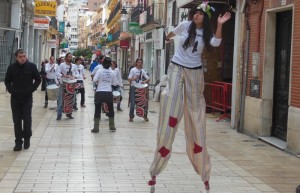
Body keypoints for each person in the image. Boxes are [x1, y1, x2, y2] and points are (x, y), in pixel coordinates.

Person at [148, 3, 231, 191]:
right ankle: (157, 166)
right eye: (195, 13)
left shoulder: (208, 34)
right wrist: (168, 38)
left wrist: (220, 24)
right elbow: (172, 33)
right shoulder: (185, 26)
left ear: (205, 18)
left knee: (195, 116)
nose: (197, 16)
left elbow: (216, 43)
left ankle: (204, 170)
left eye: (200, 14)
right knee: (171, 107)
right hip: (177, 67)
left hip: (195, 73)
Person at [4, 49, 41, 151]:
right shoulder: (11, 68)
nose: (22, 58)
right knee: (17, 120)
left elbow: (38, 79)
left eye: (24, 56)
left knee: (27, 119)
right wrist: (11, 90)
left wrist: (32, 89)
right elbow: (7, 81)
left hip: (27, 98)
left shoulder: (32, 66)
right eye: (20, 57)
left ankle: (27, 137)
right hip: (15, 98)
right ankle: (18, 142)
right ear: (16, 57)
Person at [91, 57, 118, 133]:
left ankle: (96, 128)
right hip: (108, 92)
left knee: (97, 109)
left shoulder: (99, 71)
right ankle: (112, 126)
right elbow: (115, 83)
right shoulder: (112, 72)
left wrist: (99, 81)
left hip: (99, 92)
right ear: (110, 64)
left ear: (102, 63)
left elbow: (94, 80)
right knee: (111, 109)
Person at [56, 53, 79, 120]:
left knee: (71, 99)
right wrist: (63, 76)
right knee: (61, 99)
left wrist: (74, 76)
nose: (70, 58)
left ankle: (69, 114)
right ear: (66, 58)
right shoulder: (62, 65)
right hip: (63, 84)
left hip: (71, 84)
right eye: (69, 57)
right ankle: (59, 115)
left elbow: (77, 73)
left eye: (71, 57)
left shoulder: (74, 66)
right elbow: (57, 73)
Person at [127, 58, 150, 122]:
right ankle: (131, 116)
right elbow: (129, 79)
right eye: (139, 62)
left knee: (144, 102)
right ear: (136, 63)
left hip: (141, 88)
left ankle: (145, 116)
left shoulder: (142, 71)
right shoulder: (133, 70)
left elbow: (148, 79)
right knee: (133, 102)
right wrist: (134, 78)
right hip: (134, 87)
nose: (140, 64)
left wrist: (144, 81)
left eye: (141, 63)